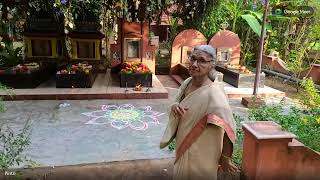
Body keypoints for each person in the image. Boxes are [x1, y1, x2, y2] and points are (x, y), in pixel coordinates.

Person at [160, 45, 238, 180]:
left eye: (201, 60)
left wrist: (225, 158)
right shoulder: (187, 82)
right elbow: (176, 102)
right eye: (193, 59)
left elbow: (228, 128)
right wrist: (175, 106)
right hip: (182, 144)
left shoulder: (214, 93)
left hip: (203, 153)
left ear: (211, 65)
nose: (195, 64)